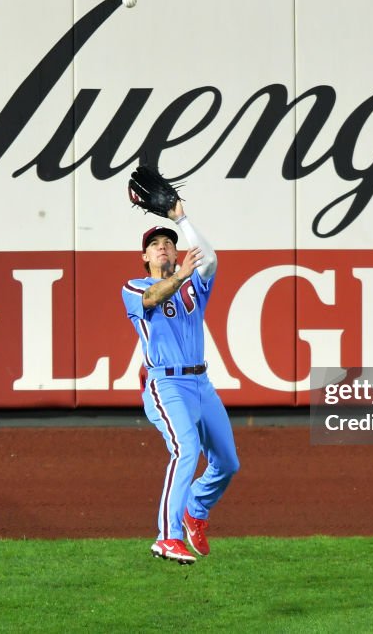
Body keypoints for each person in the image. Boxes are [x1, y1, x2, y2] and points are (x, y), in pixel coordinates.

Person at [121, 196, 239, 565]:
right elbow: (155, 296)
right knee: (186, 450)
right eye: (154, 245)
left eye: (168, 242)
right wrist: (182, 273)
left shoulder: (193, 288)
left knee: (227, 463)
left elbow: (212, 260)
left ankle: (195, 511)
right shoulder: (134, 286)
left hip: (201, 385)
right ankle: (168, 537)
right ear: (145, 257)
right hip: (166, 385)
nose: (162, 247)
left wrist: (181, 217)